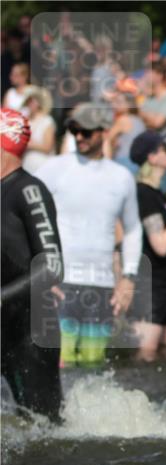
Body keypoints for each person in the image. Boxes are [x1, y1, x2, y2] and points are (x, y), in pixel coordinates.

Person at [36, 103, 141, 367]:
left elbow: (132, 229)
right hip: (61, 283)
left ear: (104, 132)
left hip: (103, 284)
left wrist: (128, 278)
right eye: (74, 130)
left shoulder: (122, 177)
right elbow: (28, 217)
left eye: (86, 131)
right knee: (61, 362)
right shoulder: (54, 168)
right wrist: (39, 270)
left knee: (94, 364)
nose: (79, 137)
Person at [1, 108, 64, 421]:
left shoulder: (28, 190)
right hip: (3, 322)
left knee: (44, 428)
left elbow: (52, 266)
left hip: (32, 328)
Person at [127, 131, 166, 361]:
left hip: (165, 286)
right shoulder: (144, 194)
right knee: (146, 357)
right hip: (148, 287)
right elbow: (160, 245)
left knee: (163, 356)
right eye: (165, 148)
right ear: (152, 157)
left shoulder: (159, 195)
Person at [20, 86, 56, 174]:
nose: (30, 104)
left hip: (42, 166)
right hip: (26, 164)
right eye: (28, 101)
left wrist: (29, 144)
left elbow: (47, 147)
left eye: (32, 101)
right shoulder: (25, 120)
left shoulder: (47, 121)